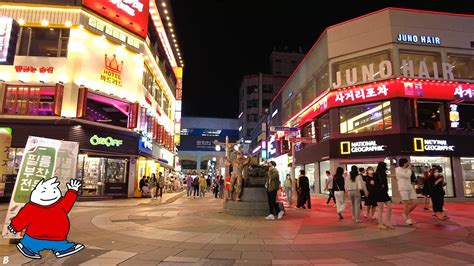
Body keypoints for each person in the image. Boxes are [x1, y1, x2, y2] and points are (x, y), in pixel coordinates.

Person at [395, 158, 417, 225]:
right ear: (404, 163)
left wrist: (408, 169)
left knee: (415, 203)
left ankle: (405, 214)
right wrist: (408, 169)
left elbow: (408, 176)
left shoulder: (409, 169)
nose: (409, 163)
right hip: (403, 188)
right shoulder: (398, 169)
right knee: (406, 204)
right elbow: (407, 176)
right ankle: (407, 219)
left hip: (410, 187)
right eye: (407, 162)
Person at [374, 162, 394, 229]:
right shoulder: (376, 174)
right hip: (379, 193)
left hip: (385, 193)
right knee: (380, 209)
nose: (386, 167)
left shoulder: (384, 174)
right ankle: (380, 224)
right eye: (385, 166)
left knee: (390, 207)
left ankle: (387, 222)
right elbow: (375, 184)